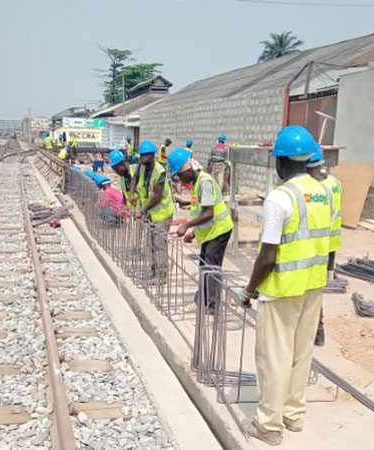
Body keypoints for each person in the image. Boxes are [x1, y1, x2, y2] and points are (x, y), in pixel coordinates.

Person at [239, 125, 333, 446]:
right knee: (300, 353)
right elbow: (329, 244)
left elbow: (267, 255)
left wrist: (249, 291)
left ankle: (269, 424)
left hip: (282, 289)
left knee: (274, 357)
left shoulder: (280, 198)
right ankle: (294, 415)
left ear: (280, 163)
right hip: (313, 286)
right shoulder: (325, 192)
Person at [169, 148, 234, 313]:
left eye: (181, 176)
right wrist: (195, 233)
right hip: (212, 231)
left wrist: (187, 225)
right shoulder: (198, 183)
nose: (181, 181)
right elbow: (201, 213)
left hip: (219, 231)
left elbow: (208, 213)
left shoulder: (204, 182)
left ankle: (210, 305)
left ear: (188, 169)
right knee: (205, 266)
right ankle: (204, 301)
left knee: (210, 268)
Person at [306, 146, 343, 347]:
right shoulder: (335, 183)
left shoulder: (315, 189)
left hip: (316, 243)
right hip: (331, 243)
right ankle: (319, 332)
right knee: (318, 286)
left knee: (310, 287)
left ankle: (315, 329)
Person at [129, 140, 175, 284]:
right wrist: (131, 193)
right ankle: (154, 270)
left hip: (162, 213)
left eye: (145, 156)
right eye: (141, 156)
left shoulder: (159, 171)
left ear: (152, 156)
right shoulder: (142, 167)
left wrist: (142, 210)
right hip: (151, 213)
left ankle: (161, 275)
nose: (142, 159)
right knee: (151, 243)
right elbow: (135, 178)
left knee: (159, 244)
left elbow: (157, 196)